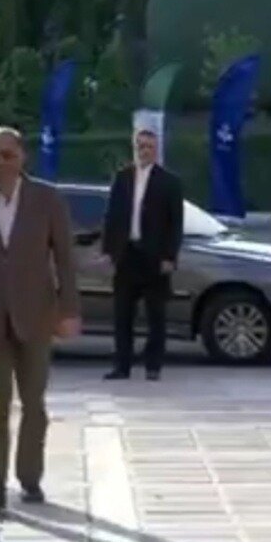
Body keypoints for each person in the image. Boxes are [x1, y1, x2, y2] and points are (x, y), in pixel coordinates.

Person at [0, 126, 81, 516]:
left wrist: (69, 310)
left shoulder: (46, 199)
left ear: (22, 157)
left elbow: (65, 259)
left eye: (7, 154)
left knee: (33, 403)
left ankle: (29, 475)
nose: (0, 163)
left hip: (36, 315)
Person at [101, 128, 184, 382]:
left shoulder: (169, 181)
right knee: (122, 314)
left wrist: (170, 256)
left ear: (156, 150)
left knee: (155, 315)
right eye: (140, 146)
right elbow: (112, 216)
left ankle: (153, 365)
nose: (144, 151)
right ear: (134, 148)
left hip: (155, 257)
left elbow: (175, 223)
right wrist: (109, 250)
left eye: (149, 146)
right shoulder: (123, 178)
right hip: (127, 254)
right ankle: (122, 365)